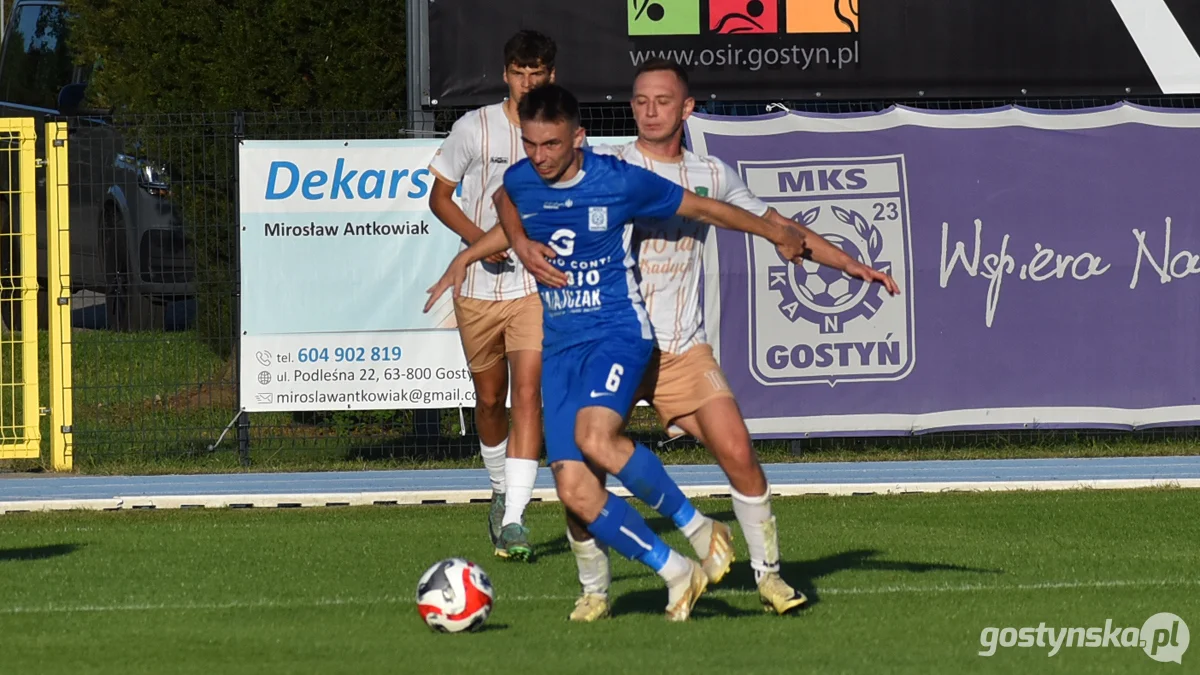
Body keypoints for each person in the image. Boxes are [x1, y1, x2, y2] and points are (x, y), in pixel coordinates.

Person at [526, 58, 902, 621]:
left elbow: (777, 226)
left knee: (738, 451)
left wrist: (849, 263)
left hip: (680, 348)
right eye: (639, 101)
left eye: (661, 101)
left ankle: (770, 577)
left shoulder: (712, 175)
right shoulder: (608, 168)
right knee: (582, 476)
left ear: (687, 108)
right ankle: (595, 589)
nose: (649, 111)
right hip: (611, 339)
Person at [424, 83, 812, 620]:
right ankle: (674, 572)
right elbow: (504, 199)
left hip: (617, 333)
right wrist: (511, 242)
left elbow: (706, 208)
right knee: (575, 490)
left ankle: (701, 528)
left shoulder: (616, 180)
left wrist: (775, 232)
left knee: (594, 437)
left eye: (552, 145)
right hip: (559, 348)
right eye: (531, 144)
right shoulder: (522, 176)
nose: (539, 157)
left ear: (578, 137)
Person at [426, 30, 557, 561]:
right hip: (477, 287)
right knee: (488, 399)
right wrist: (481, 245)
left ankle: (517, 516)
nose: (528, 82)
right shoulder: (474, 127)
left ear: (551, 75)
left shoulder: (560, 132)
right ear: (506, 74)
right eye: (520, 72)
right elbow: (441, 197)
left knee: (528, 395)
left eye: (538, 73)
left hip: (532, 284)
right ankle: (501, 486)